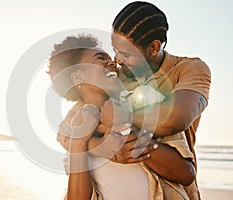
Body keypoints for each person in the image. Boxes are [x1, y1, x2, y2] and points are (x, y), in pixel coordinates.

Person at [48, 34, 196, 200]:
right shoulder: (74, 128)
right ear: (77, 77)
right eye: (100, 58)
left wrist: (125, 126)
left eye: (110, 58)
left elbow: (186, 174)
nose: (113, 63)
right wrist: (79, 143)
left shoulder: (150, 102)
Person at [92, 1, 211, 199]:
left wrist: (119, 118)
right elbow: (76, 130)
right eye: (115, 50)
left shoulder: (188, 69)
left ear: (154, 47)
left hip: (173, 186)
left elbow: (175, 119)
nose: (117, 60)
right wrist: (107, 149)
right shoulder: (116, 78)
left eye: (126, 53)